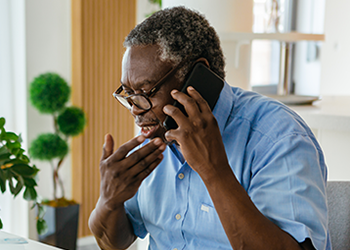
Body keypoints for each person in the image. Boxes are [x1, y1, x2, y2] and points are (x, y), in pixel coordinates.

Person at [89, 6, 331, 250]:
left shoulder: (279, 137)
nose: (135, 109)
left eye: (145, 92)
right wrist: (109, 201)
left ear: (197, 76)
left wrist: (213, 170)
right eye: (129, 94)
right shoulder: (157, 137)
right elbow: (114, 243)